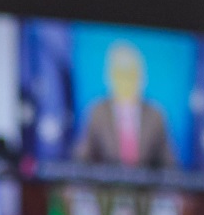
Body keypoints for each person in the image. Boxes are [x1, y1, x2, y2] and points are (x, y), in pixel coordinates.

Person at [72, 40, 179, 170]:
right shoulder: (97, 112)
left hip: (146, 190)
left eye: (131, 75)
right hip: (105, 189)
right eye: (120, 75)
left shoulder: (156, 115)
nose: (126, 82)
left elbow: (171, 167)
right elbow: (80, 161)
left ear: (142, 78)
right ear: (110, 77)